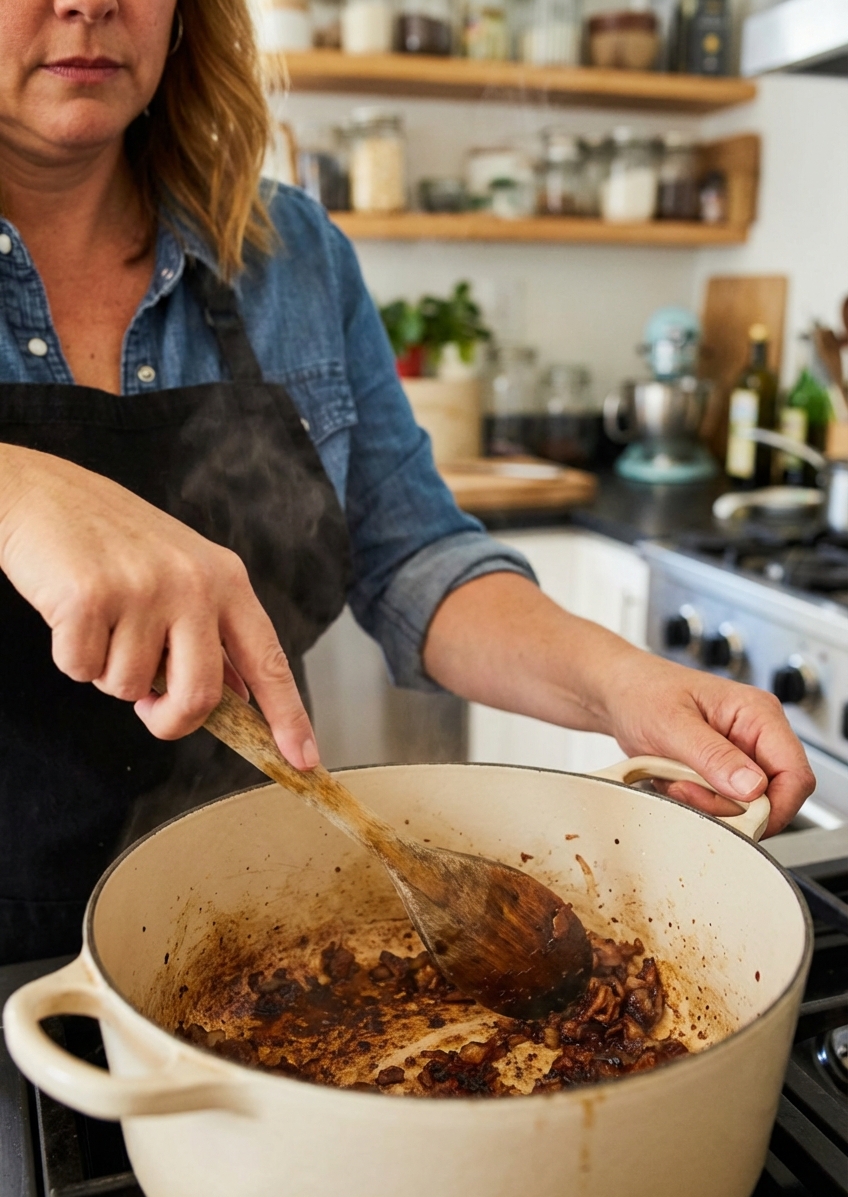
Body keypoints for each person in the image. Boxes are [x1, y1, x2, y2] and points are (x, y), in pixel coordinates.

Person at [0, 0, 813, 965]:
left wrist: (623, 685)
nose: (89, 2)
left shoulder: (291, 254)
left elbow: (414, 559)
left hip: (248, 931)